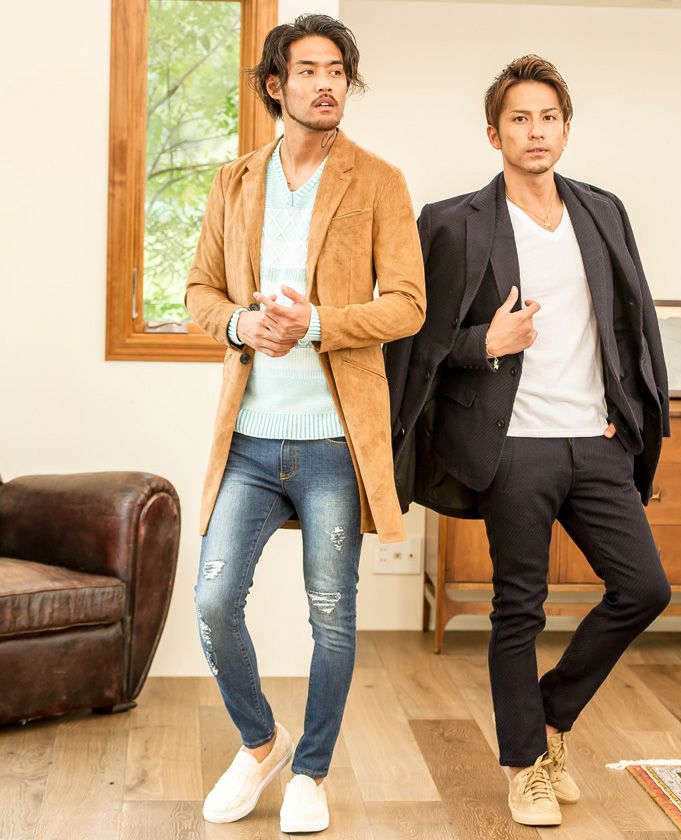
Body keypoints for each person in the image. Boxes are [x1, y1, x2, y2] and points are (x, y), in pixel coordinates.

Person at [386, 55, 671, 827]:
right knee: (520, 609)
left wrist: (627, 412)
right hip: (513, 447)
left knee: (645, 589)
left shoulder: (602, 211)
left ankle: (546, 718)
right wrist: (486, 342)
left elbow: (629, 321)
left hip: (596, 442)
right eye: (519, 118)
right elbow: (415, 338)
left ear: (566, 130)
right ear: (494, 133)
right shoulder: (452, 222)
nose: (535, 131)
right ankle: (524, 768)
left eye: (548, 117)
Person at [185, 14, 424, 834]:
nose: (326, 84)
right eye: (309, 70)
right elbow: (200, 293)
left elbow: (409, 304)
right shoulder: (233, 182)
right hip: (249, 439)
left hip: (333, 442)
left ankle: (311, 772)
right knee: (214, 602)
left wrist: (317, 323)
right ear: (275, 85)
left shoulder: (380, 181)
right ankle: (262, 744)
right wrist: (240, 325)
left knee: (332, 613)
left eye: (338, 72)